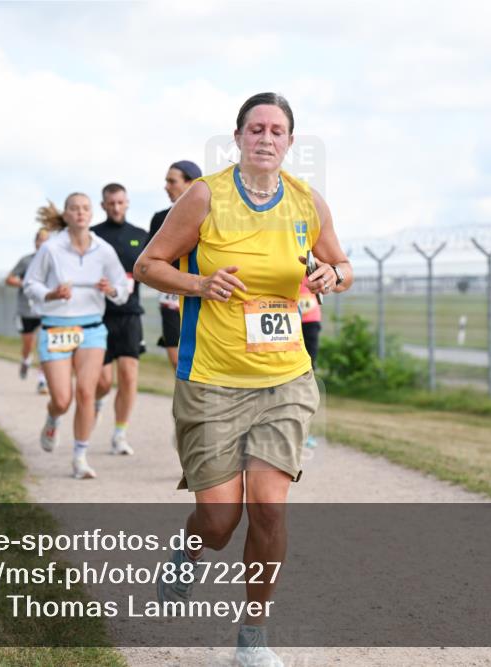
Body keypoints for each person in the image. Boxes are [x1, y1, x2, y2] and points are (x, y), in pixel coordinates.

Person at [134, 92, 352, 667]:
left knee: (270, 509)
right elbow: (148, 266)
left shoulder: (308, 202)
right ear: (237, 137)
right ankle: (189, 548)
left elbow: (342, 265)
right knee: (220, 521)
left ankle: (253, 637)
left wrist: (333, 272)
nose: (266, 138)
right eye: (256, 128)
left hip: (285, 378)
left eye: (277, 130)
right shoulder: (206, 195)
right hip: (211, 378)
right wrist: (201, 285)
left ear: (289, 142)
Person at [24, 194, 130, 480]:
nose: (80, 213)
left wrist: (111, 290)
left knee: (86, 391)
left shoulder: (104, 251)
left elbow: (123, 287)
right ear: (66, 215)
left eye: (85, 208)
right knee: (62, 399)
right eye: (74, 209)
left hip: (92, 328)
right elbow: (30, 283)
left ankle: (79, 457)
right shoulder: (51, 249)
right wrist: (51, 293)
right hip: (56, 327)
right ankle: (53, 417)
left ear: (91, 213)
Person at [91, 183, 148, 456]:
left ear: (127, 203)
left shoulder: (140, 235)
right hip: (99, 316)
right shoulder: (93, 236)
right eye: (110, 203)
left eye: (120, 202)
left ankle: (119, 433)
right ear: (103, 205)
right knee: (102, 382)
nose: (115, 207)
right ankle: (99, 402)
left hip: (130, 314)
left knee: (128, 376)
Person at [147, 160, 203, 368]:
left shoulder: (213, 216)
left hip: (203, 294)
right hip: (171, 295)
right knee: (180, 363)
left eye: (172, 181)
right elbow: (148, 261)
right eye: (166, 181)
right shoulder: (159, 218)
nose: (166, 187)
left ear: (192, 184)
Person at [6, 228, 51, 393]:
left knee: (45, 345)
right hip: (27, 309)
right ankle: (25, 360)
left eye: (47, 240)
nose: (44, 243)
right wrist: (24, 283)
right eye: (41, 240)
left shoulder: (54, 261)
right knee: (28, 344)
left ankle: (42, 380)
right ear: (36, 242)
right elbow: (9, 278)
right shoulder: (26, 261)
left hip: (46, 309)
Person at [298, 279, 322, 448]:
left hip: (310, 321)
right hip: (286, 317)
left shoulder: (314, 255)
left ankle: (304, 431)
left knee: (306, 377)